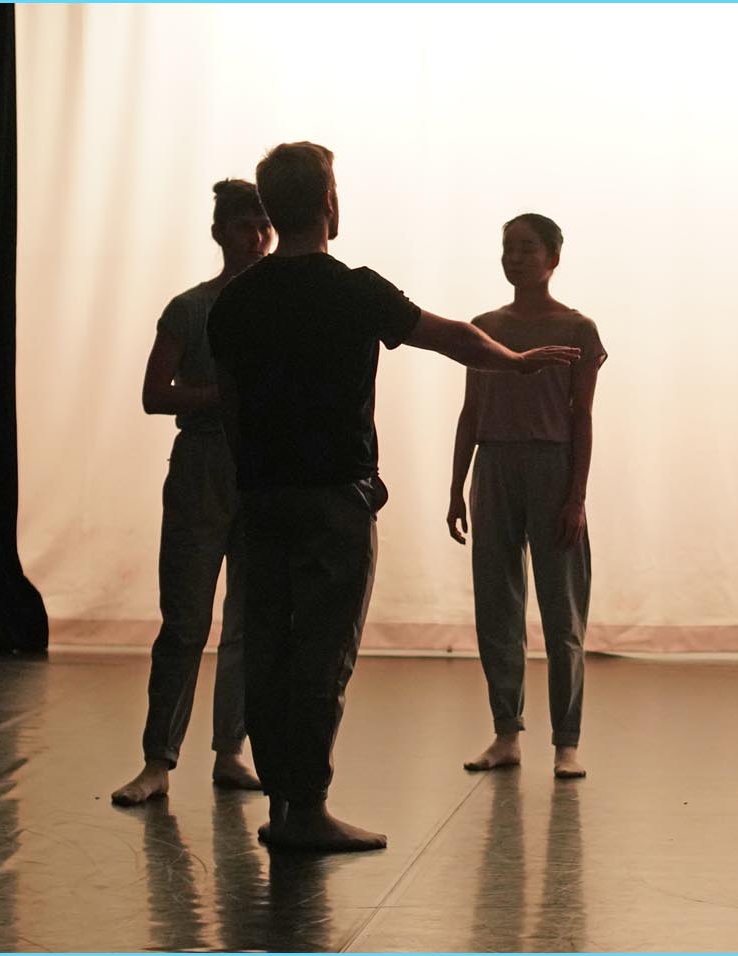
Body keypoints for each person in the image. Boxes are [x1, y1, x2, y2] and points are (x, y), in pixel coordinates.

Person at [207, 142, 581, 853]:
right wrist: (514, 361)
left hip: (263, 500)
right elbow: (452, 337)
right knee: (322, 656)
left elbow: (231, 410)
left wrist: (253, 479)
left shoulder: (237, 300)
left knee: (268, 652)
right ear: (329, 205)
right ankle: (305, 809)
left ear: (273, 210)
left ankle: (283, 805)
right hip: (335, 501)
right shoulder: (354, 289)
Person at [112, 180, 273, 806]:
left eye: (263, 225)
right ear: (219, 232)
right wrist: (225, 399)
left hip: (261, 468)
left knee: (249, 622)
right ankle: (158, 760)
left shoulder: (280, 306)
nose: (257, 237)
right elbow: (155, 394)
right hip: (203, 464)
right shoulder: (191, 306)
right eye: (244, 225)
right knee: (184, 622)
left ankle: (230, 749)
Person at [448, 214, 606, 780]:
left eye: (527, 248)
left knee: (562, 611)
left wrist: (576, 496)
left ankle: (567, 742)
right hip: (493, 466)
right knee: (497, 605)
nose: (514, 258)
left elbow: (582, 416)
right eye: (508, 248)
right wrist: (456, 487)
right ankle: (506, 733)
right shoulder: (484, 327)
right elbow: (471, 411)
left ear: (553, 257)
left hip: (551, 465)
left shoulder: (578, 328)